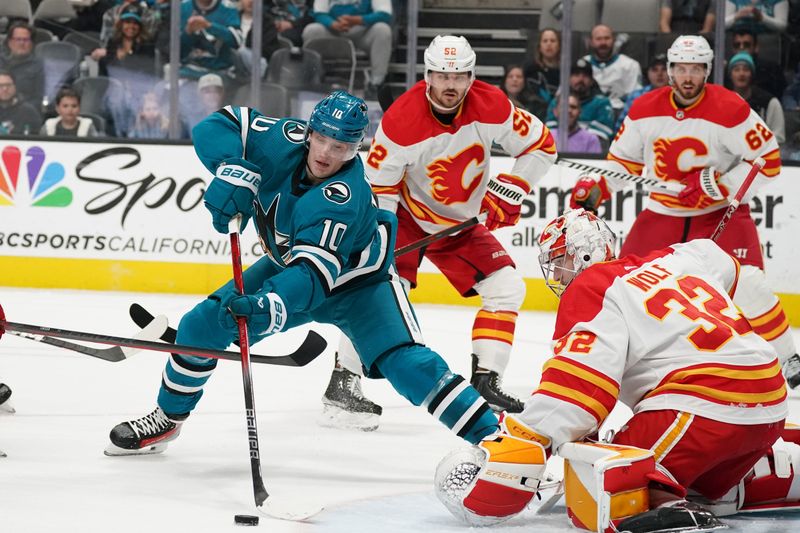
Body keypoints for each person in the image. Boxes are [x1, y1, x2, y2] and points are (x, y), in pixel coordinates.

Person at [103, 90, 500, 456]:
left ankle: (498, 442)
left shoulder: (342, 196)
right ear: (309, 131)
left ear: (356, 147)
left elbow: (311, 279)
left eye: (341, 146)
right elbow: (218, 124)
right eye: (322, 138)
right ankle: (167, 421)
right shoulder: (283, 139)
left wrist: (268, 306)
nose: (326, 153)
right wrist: (230, 167)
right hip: (288, 266)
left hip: (360, 287)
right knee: (201, 325)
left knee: (408, 366)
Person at [435, 208, 797, 530]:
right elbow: (750, 283)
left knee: (610, 477)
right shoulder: (683, 258)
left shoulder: (594, 287)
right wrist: (787, 354)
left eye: (560, 261)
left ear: (585, 253)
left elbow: (578, 390)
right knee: (706, 485)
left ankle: (668, 509)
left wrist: (529, 435)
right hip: (771, 405)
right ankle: (770, 472)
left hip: (703, 408)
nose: (557, 274)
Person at [319, 35, 557, 430]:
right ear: (427, 75)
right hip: (408, 217)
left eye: (460, 76)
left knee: (508, 288)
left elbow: (540, 146)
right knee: (380, 295)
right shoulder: (400, 121)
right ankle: (343, 381)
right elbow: (380, 188)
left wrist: (513, 186)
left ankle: (486, 383)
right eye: (442, 75)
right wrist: (380, 242)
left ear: (471, 77)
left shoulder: (492, 104)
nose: (450, 84)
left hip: (460, 223)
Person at [569, 35, 800, 387]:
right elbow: (623, 164)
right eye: (680, 69)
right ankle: (600, 357)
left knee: (748, 283)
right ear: (669, 70)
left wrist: (717, 183)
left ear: (707, 71)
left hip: (719, 211)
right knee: (621, 285)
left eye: (695, 69)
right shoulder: (645, 108)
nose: (687, 77)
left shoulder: (732, 108)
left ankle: (788, 358)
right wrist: (596, 191)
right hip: (663, 213)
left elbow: (767, 161)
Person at [301, 0, 392, 99]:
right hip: (334, 30)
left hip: (363, 29)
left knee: (383, 30)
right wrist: (332, 23)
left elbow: (385, 14)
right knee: (311, 30)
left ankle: (376, 83)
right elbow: (319, 13)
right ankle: (312, 79)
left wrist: (358, 20)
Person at [545, 59, 615, 144]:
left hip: (590, 152)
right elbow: (550, 130)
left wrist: (576, 138)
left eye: (585, 76)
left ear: (592, 81)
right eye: (576, 75)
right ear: (569, 79)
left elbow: (603, 134)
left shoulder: (602, 103)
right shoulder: (557, 101)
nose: (580, 79)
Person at [727, 51, 785, 143]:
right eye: (737, 69)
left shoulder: (769, 102)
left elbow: (779, 138)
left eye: (746, 69)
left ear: (752, 74)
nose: (741, 74)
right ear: (730, 75)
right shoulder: (722, 104)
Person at [582, 24, 642, 110]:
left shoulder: (630, 65)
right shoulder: (583, 64)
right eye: (598, 39)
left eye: (607, 38)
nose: (603, 43)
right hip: (589, 113)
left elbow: (635, 98)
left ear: (614, 40)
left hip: (620, 113)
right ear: (591, 42)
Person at [179, 0, 243, 81]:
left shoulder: (228, 7)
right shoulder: (183, 7)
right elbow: (175, 51)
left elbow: (236, 41)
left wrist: (209, 26)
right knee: (165, 89)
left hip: (220, 72)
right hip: (188, 71)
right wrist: (188, 32)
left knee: (210, 91)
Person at [616, 53, 670, 130]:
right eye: (654, 70)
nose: (659, 74)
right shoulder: (637, 96)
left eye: (664, 69)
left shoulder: (679, 96)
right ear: (647, 73)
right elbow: (622, 125)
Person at [730, 27, 787, 99]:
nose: (741, 48)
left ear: (756, 47)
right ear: (732, 48)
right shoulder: (724, 71)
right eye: (737, 45)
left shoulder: (771, 70)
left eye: (746, 44)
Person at [0, 22, 45, 108]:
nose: (21, 43)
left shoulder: (38, 66)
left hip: (23, 112)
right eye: (18, 39)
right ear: (9, 42)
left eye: (25, 40)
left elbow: (39, 98)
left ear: (32, 44)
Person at [523, 27, 561, 118]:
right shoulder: (530, 70)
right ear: (539, 47)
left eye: (552, 41)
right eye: (545, 41)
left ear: (559, 46)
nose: (549, 44)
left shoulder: (567, 71)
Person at [0, 70, 42, 135]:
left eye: (8, 85)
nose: (5, 89)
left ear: (15, 86)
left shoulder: (29, 112)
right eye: (1, 85)